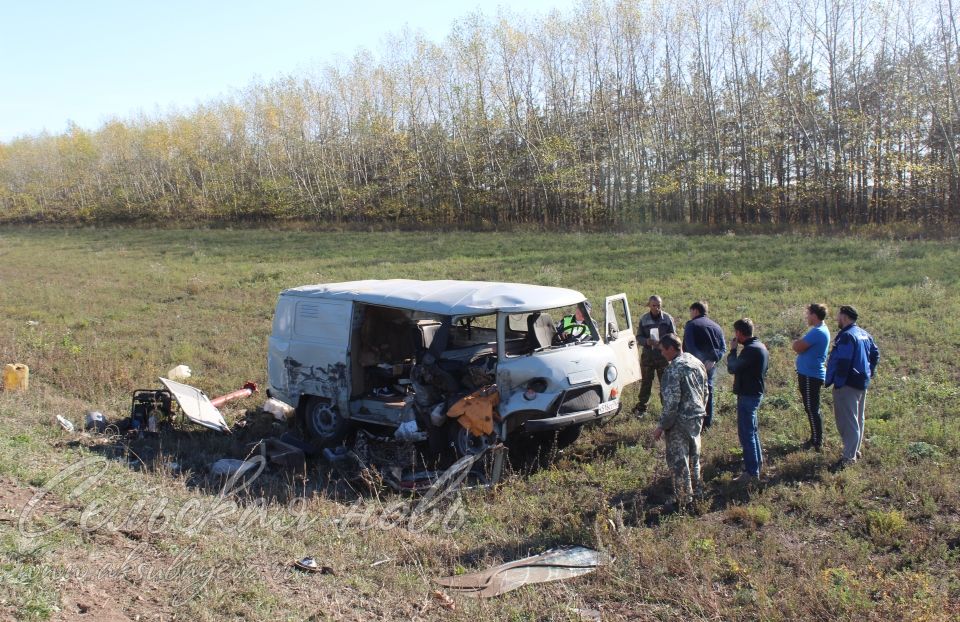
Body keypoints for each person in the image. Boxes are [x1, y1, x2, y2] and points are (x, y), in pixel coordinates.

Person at [652, 333, 708, 512]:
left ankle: (684, 502)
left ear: (670, 349)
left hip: (679, 421)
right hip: (697, 417)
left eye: (663, 350)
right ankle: (697, 495)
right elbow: (706, 390)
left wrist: (662, 425)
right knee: (694, 457)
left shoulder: (673, 370)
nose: (662, 354)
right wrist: (700, 410)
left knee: (679, 461)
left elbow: (671, 402)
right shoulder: (696, 362)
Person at [825, 305, 880, 470]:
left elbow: (844, 362)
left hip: (847, 384)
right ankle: (855, 451)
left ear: (845, 317)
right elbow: (875, 353)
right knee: (858, 419)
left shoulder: (848, 336)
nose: (836, 319)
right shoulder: (864, 334)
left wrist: (839, 382)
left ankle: (849, 458)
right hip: (861, 382)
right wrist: (869, 371)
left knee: (847, 421)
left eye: (838, 316)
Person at [726, 318, 769, 482]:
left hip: (748, 395)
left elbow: (732, 368)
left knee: (747, 433)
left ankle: (751, 473)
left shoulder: (750, 350)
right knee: (753, 430)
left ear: (739, 333)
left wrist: (732, 350)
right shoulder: (761, 346)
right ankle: (756, 465)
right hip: (755, 393)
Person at [792, 303, 830, 451]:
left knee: (811, 408)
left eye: (808, 314)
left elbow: (798, 347)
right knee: (811, 407)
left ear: (814, 315)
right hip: (810, 374)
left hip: (810, 375)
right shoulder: (819, 330)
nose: (807, 317)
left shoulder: (818, 332)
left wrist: (797, 344)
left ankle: (816, 441)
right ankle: (816, 438)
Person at [682, 301, 726, 429]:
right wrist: (713, 359)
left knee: (693, 392)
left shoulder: (691, 325)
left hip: (695, 365)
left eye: (691, 311)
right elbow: (723, 348)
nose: (690, 314)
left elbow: (690, 346)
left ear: (695, 310)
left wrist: (699, 362)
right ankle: (707, 424)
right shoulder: (716, 326)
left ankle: (694, 422)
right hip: (711, 366)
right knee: (709, 391)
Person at [633, 295, 676, 417]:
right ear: (649, 305)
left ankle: (666, 409)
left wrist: (665, 342)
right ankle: (642, 407)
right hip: (648, 356)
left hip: (664, 356)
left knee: (665, 383)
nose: (656, 308)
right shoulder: (644, 319)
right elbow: (638, 337)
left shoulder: (667, 319)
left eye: (659, 306)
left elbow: (674, 336)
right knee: (646, 383)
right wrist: (647, 341)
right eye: (654, 305)